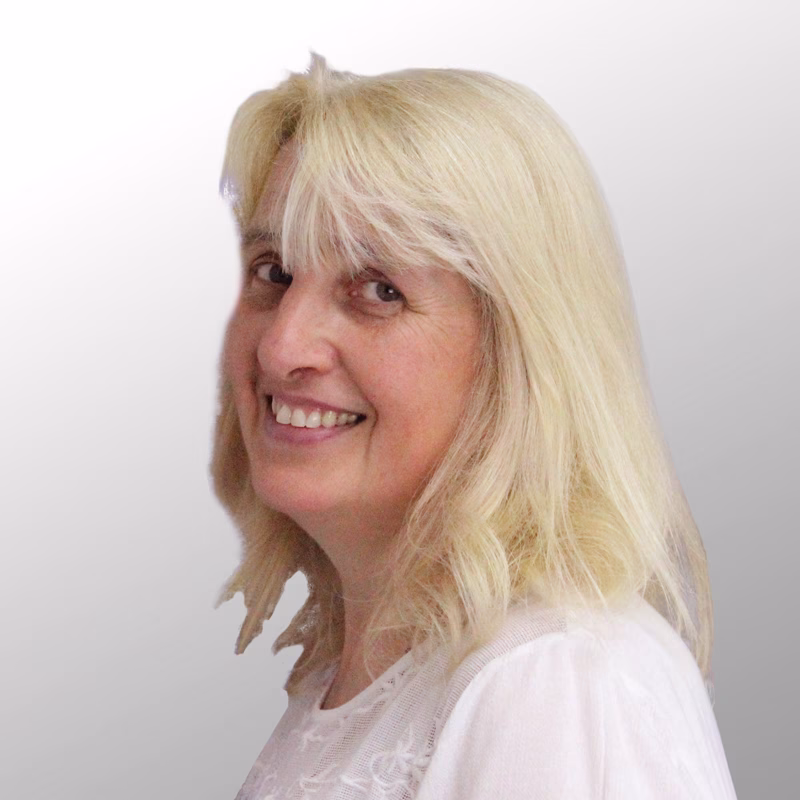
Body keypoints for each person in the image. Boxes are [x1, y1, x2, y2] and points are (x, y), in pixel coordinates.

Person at [211, 54, 737, 799]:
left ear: (518, 353)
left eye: (378, 290)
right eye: (274, 272)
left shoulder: (551, 680)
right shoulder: (365, 683)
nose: (280, 346)